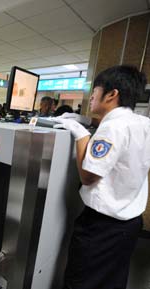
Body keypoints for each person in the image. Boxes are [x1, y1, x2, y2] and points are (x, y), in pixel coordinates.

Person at [54, 65, 150, 289]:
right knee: (111, 280)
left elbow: (88, 176)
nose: (91, 98)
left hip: (101, 227)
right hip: (130, 223)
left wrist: (81, 134)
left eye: (95, 92)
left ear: (111, 94)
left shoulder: (112, 128)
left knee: (80, 281)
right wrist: (85, 119)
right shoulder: (143, 123)